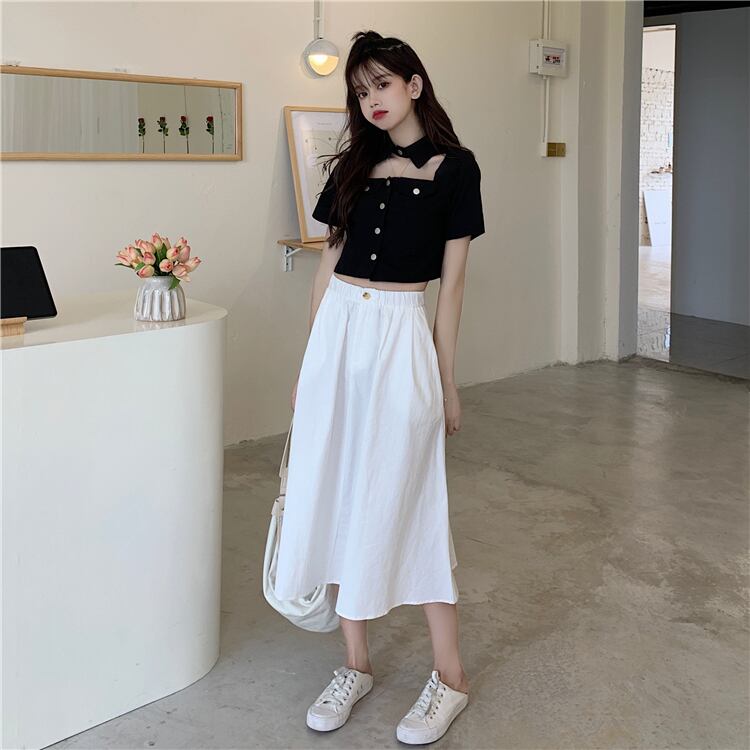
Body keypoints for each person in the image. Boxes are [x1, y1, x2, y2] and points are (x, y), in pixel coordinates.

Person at [273, 29, 485, 745]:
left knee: (411, 498)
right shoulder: (354, 166)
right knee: (337, 491)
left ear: (414, 85)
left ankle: (450, 678)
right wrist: (310, 364)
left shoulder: (456, 168)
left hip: (400, 333)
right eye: (361, 92)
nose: (373, 102)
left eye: (383, 86)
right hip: (339, 333)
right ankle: (355, 664)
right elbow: (326, 267)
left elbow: (452, 288)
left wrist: (446, 382)